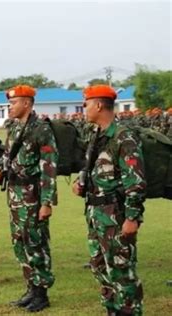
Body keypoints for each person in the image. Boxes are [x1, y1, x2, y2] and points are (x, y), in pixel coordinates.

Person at [72, 85, 146, 315]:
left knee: (121, 271)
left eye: (86, 104)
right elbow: (96, 169)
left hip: (115, 214)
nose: (84, 108)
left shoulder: (123, 137)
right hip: (96, 214)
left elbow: (136, 182)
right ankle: (112, 310)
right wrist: (81, 182)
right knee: (100, 267)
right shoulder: (97, 136)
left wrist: (132, 217)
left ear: (99, 105)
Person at [0, 85, 58, 312]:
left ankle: (41, 293)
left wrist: (47, 202)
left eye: (13, 103)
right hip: (14, 194)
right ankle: (30, 287)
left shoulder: (41, 129)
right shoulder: (13, 127)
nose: (10, 107)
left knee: (35, 242)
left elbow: (49, 167)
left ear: (27, 104)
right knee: (19, 242)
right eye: (9, 103)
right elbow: (8, 153)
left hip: (32, 195)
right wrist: (0, 167)